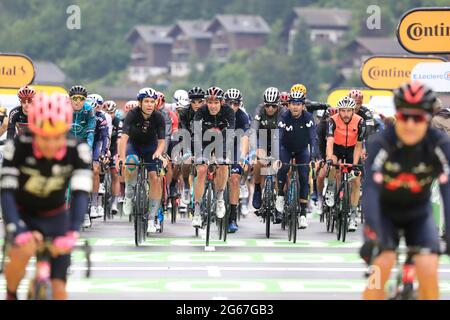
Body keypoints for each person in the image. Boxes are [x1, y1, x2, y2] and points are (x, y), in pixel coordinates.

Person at [361, 81, 450, 300]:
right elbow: (370, 188)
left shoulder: (439, 143)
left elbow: (449, 189)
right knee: (382, 264)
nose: (410, 124)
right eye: (404, 117)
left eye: (418, 118)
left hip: (418, 213)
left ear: (428, 120)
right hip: (383, 213)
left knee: (429, 268)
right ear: (397, 116)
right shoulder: (382, 142)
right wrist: (372, 230)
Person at [1, 93, 92, 300]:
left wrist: (72, 231)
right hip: (22, 212)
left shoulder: (78, 149)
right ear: (34, 131)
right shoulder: (17, 147)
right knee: (21, 253)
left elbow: (80, 195)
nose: (50, 144)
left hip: (55, 215)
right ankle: (11, 294)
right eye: (44, 137)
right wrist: (17, 228)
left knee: (59, 291)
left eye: (57, 137)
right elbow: (6, 192)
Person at [119, 87, 165, 233]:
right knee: (131, 161)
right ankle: (129, 194)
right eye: (146, 101)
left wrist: (158, 153)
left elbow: (162, 140)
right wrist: (121, 158)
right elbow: (124, 138)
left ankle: (151, 218)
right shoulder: (132, 114)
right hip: (134, 145)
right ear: (140, 103)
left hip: (150, 148)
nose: (150, 104)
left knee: (155, 178)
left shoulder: (158, 117)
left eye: (152, 101)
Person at [191, 87, 235, 228]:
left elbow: (230, 134)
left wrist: (225, 156)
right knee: (202, 170)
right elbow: (196, 134)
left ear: (221, 102)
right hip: (203, 141)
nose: (213, 106)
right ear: (206, 103)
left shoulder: (228, 111)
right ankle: (197, 211)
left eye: (216, 102)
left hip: (222, 140)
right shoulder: (200, 112)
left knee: (223, 165)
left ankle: (220, 197)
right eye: (210, 102)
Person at [276, 90, 317, 229]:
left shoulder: (308, 117)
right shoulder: (284, 116)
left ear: (302, 106)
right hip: (286, 148)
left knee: (304, 176)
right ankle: (280, 195)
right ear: (288, 105)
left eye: (298, 104)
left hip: (301, 150)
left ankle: (303, 214)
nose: (295, 107)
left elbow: (312, 138)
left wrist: (313, 157)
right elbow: (279, 136)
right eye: (293, 103)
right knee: (283, 167)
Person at [325, 96, 365, 232]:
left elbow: (359, 146)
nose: (346, 114)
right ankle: (330, 189)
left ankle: (353, 216)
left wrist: (354, 165)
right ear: (339, 111)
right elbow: (329, 142)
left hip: (352, 150)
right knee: (331, 165)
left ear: (353, 111)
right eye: (343, 111)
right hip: (336, 148)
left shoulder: (360, 122)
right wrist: (329, 158)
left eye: (349, 111)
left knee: (356, 180)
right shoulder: (332, 121)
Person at [251, 87, 286, 213]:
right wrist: (254, 150)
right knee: (259, 161)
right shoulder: (260, 110)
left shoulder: (283, 112)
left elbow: (285, 133)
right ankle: (257, 188)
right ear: (264, 104)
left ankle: (279, 199)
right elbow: (254, 131)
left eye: (273, 106)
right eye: (267, 106)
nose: (270, 109)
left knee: (279, 167)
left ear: (278, 105)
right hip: (263, 139)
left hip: (278, 139)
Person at [224, 88, 251, 231]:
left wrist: (242, 157)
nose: (233, 107)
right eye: (229, 103)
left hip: (236, 146)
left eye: (236, 104)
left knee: (234, 178)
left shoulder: (243, 116)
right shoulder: (219, 112)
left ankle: (232, 217)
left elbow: (245, 139)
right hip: (219, 144)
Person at [87, 94, 109, 222]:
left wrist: (104, 152)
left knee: (95, 169)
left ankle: (94, 203)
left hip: (96, 142)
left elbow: (105, 137)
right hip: (83, 140)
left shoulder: (100, 117)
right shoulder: (81, 113)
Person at [103, 100, 123, 214]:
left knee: (115, 174)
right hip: (103, 147)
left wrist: (118, 155)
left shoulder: (118, 122)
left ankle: (115, 200)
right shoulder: (100, 120)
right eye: (107, 112)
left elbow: (120, 140)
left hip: (114, 148)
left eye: (112, 113)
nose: (109, 115)